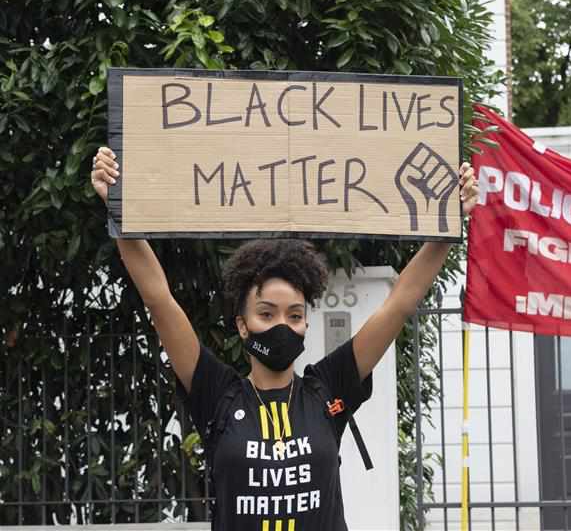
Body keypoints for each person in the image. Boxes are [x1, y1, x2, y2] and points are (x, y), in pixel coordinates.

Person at [90, 146, 478, 530]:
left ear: (306, 324)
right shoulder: (217, 393)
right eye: (265, 314)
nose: (282, 325)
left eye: (294, 315)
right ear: (242, 325)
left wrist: (448, 223)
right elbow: (159, 300)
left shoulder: (328, 387)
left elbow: (398, 304)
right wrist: (118, 209)